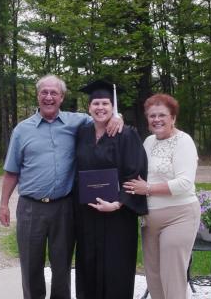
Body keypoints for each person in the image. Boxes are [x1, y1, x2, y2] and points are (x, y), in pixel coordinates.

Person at [0, 75, 123, 299]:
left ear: (62, 97)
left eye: (54, 93)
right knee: (30, 265)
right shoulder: (22, 130)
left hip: (64, 207)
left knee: (62, 265)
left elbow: (101, 116)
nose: (48, 97)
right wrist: (3, 204)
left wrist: (118, 117)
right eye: (44, 92)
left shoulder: (77, 122)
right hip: (30, 208)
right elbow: (11, 172)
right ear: (38, 96)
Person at [74, 80, 148, 299]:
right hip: (87, 214)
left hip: (118, 216)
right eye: (95, 103)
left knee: (116, 268)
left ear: (113, 106)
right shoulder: (82, 133)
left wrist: (117, 203)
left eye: (105, 103)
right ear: (88, 108)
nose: (100, 107)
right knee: (88, 264)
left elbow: (135, 173)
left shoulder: (127, 135)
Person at [123, 93, 201, 299]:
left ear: (173, 117)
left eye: (162, 115)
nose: (156, 119)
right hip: (150, 220)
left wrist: (147, 188)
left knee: (172, 275)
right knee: (154, 276)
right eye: (152, 116)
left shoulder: (184, 142)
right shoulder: (148, 142)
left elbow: (184, 183)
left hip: (179, 217)